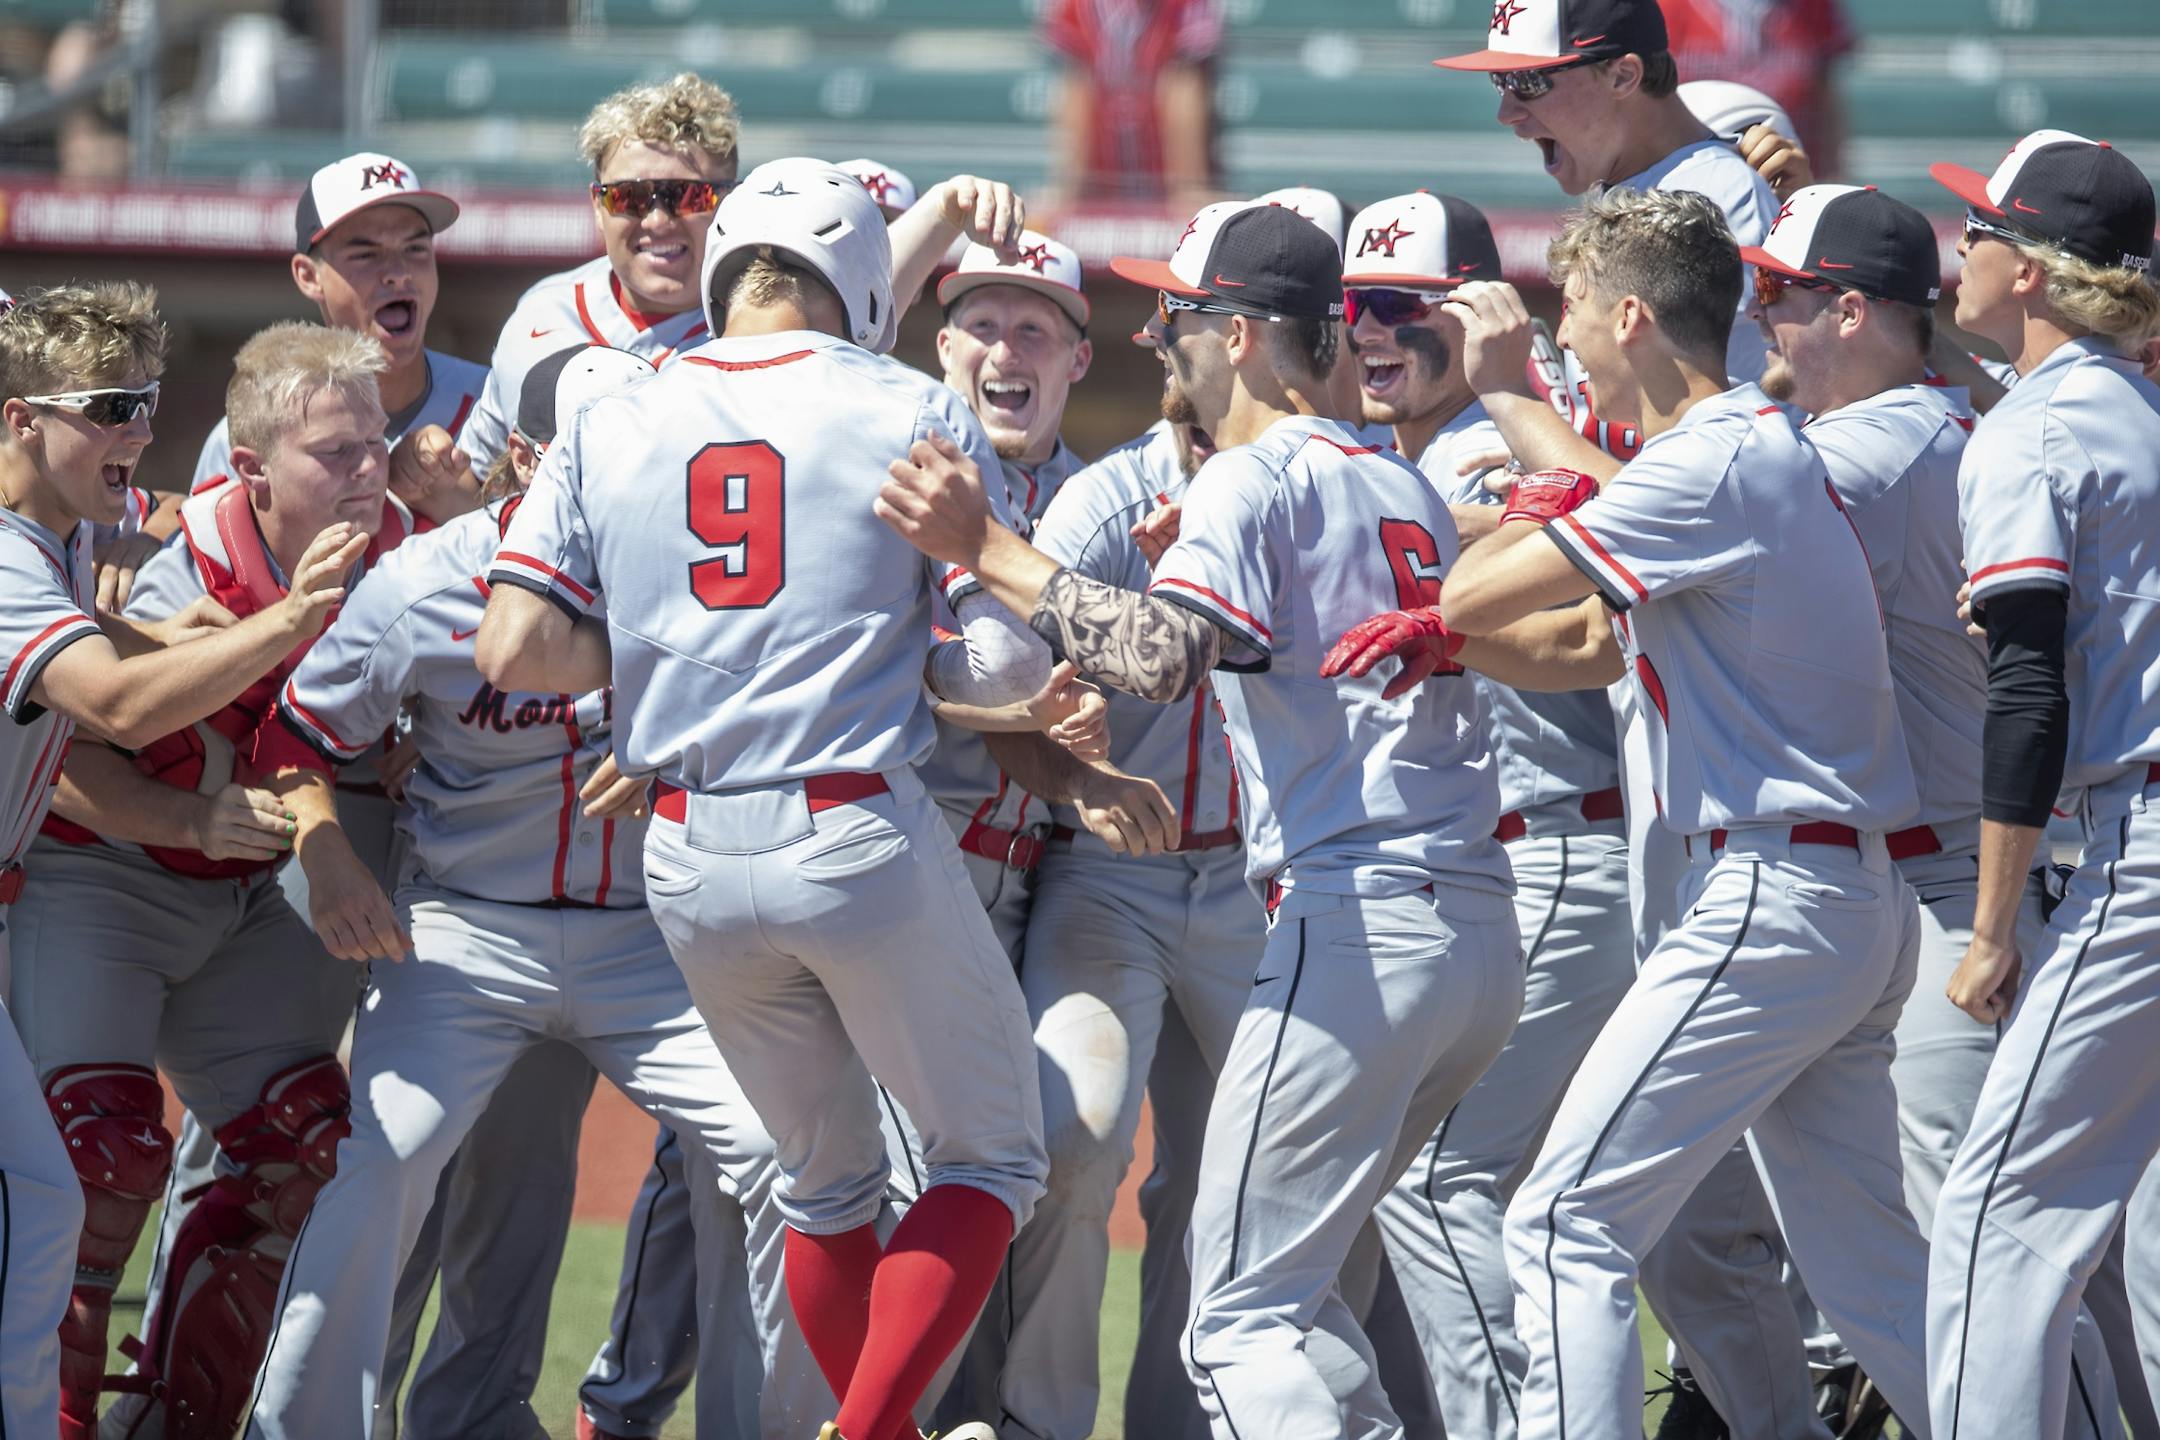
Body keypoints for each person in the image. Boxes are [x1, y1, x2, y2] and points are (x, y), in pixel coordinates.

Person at [878, 200, 1526, 1440]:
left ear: (1236, 335)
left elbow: (1164, 656)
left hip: (1354, 922)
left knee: (1236, 1318)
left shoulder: (1248, 473)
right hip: (1473, 924)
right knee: (1303, 1283)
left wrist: (985, 548)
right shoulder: (1393, 468)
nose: (1157, 340)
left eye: (1175, 317)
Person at [477, 157, 1051, 1440]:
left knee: (823, 1181)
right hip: (852, 825)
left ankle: (874, 1428)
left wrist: (659, 668)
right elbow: (1004, 665)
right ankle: (865, 1435)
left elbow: (513, 649)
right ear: (859, 277)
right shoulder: (910, 402)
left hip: (681, 848)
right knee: (993, 1156)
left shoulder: (611, 408)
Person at [1362, 184, 1936, 1440]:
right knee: (1876, 1280)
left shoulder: (1715, 455)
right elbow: (1574, 638)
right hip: (1832, 889)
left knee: (1563, 1218)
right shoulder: (1732, 448)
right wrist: (1483, 582)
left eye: (1571, 307)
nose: (1561, 333)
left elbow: (1476, 595)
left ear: (1628, 316)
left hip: (1777, 888)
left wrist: (1464, 556)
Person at [1435, 9, 1815, 1432]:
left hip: (1755, 787)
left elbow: (1660, 510)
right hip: (1701, 778)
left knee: (1576, 1213)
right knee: (1731, 1232)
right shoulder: (1695, 183)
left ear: (1618, 72)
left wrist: (1497, 466)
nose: (1510, 115)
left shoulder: (1710, 213)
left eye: (1531, 86)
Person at [6, 312, 383, 1440]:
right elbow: (83, 739)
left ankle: (171, 1423)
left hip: (234, 896)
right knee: (87, 1176)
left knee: (307, 1153)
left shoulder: (82, 532)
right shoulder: (135, 552)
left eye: (147, 407)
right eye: (109, 409)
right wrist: (286, 624)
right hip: (95, 882)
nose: (138, 434)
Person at [1333, 186, 1638, 1440]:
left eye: (1406, 306)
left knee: (1440, 1180)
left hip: (1557, 842)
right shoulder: (1441, 451)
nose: (1372, 332)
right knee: (1685, 1226)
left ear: (1480, 308)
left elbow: (1583, 627)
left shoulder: (1483, 448)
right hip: (1550, 850)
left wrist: (1430, 617)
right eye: (1356, 306)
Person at [1924, 129, 2160, 1440]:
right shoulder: (2143, 412)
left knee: (1997, 1215)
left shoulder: (2034, 429)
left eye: (1982, 231)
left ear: (2035, 271)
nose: (1963, 252)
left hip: (2141, 836)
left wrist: (1992, 925)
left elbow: (2026, 695)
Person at [461, 71, 1031, 475]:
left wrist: (941, 211)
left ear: (732, 201)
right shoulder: (542, 308)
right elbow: (470, 478)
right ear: (596, 204)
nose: (658, 219)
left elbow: (862, 295)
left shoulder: (766, 315)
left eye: (687, 196)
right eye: (630, 198)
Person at [191, 151, 488, 527]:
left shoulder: (495, 402)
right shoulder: (255, 431)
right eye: (365, 254)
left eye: (415, 249)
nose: (398, 273)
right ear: (308, 276)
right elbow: (210, 568)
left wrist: (467, 505)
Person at [1041, 0, 1220, 207]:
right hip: (1098, 185)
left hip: (1164, 186)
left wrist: (1187, 188)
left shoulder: (1185, 5)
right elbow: (1076, 93)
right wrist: (1069, 188)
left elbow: (1184, 90)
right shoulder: (1076, 6)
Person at [1659, 0, 1855, 180]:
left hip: (1790, 179)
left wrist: (1828, 178)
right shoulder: (1664, 8)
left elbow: (1825, 101)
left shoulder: (1813, 7)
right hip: (1693, 178)